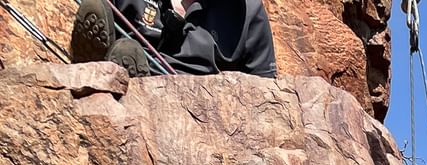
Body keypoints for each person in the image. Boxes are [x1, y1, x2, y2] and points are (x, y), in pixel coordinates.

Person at [69, 0, 276, 77]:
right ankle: (94, 70)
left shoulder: (248, 11)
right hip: (123, 66)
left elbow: (264, 89)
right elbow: (97, 19)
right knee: (124, 50)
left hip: (195, 113)